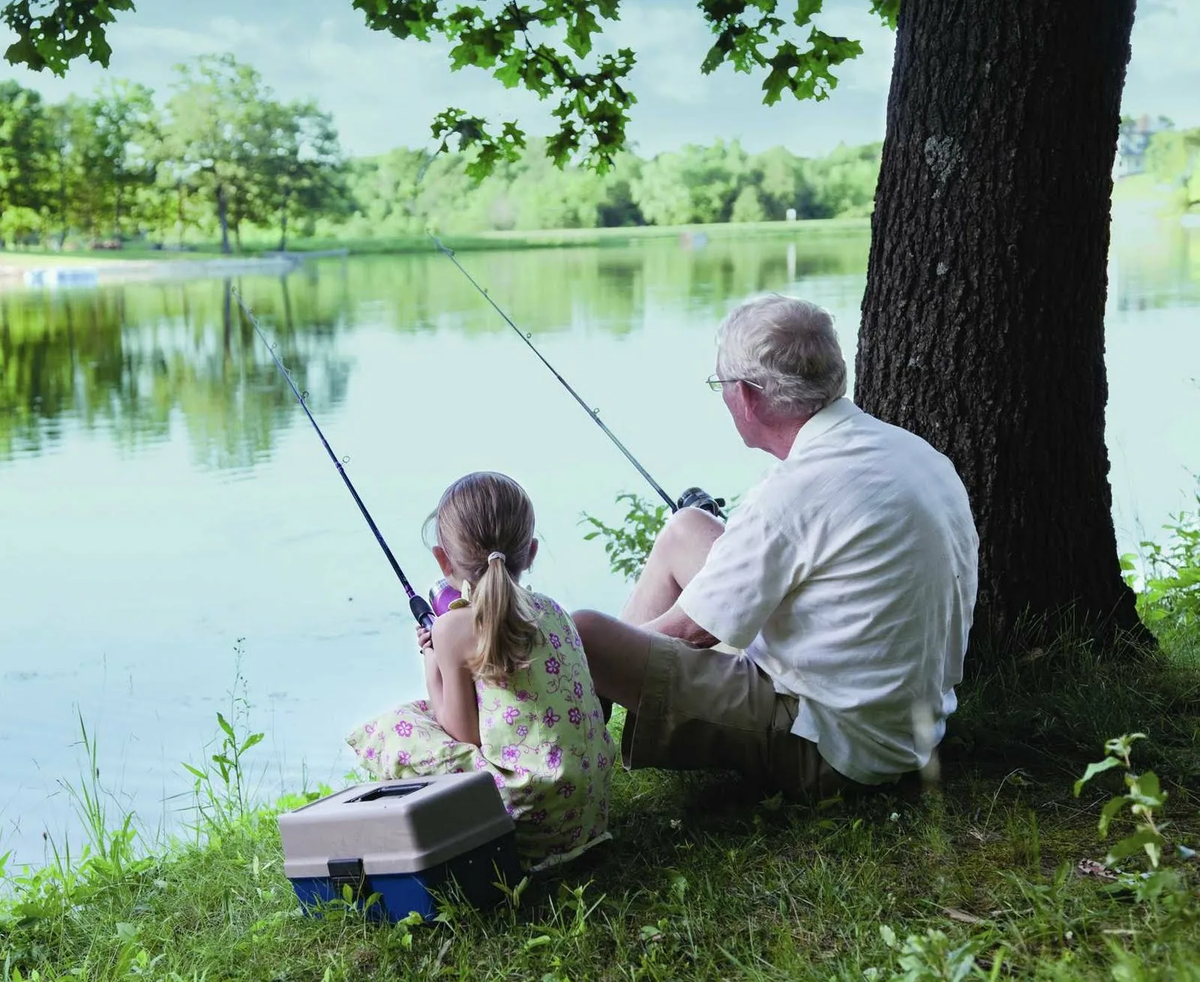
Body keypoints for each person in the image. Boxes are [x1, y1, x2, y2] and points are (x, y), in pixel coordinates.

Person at [572, 294, 980, 800]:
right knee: (687, 528)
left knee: (583, 635)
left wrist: (603, 657)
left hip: (836, 745)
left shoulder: (791, 492)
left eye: (720, 386)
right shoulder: (912, 451)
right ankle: (578, 718)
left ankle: (556, 744)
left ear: (746, 395)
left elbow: (689, 632)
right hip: (912, 728)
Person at [347, 471, 614, 870]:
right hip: (588, 814)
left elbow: (461, 732)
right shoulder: (555, 611)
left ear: (442, 559)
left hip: (527, 826)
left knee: (397, 727)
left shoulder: (453, 627)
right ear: (531, 552)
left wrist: (432, 657)